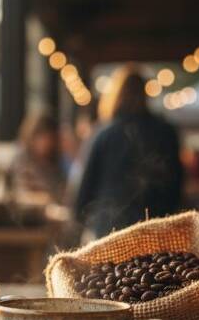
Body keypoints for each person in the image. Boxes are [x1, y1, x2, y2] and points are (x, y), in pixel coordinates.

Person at [74, 66, 183, 237]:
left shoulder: (103, 134)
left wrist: (80, 217)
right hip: (155, 229)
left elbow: (84, 188)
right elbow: (176, 185)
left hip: (107, 231)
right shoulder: (165, 132)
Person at [9, 113, 64, 201]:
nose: (47, 143)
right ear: (32, 136)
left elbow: (61, 193)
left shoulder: (54, 161)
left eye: (50, 138)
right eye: (43, 137)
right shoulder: (22, 160)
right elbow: (20, 193)